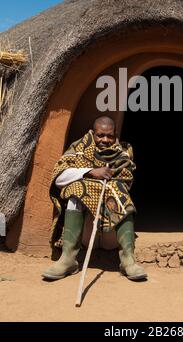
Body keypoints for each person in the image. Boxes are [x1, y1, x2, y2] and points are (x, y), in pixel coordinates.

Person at [42, 116, 147, 281]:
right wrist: (91, 172)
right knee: (75, 189)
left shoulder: (123, 152)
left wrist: (106, 181)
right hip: (86, 232)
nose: (105, 140)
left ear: (115, 135)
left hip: (111, 232)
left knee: (120, 192)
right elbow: (59, 178)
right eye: (100, 135)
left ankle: (127, 260)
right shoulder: (79, 149)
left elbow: (126, 180)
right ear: (92, 133)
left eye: (109, 136)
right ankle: (68, 260)